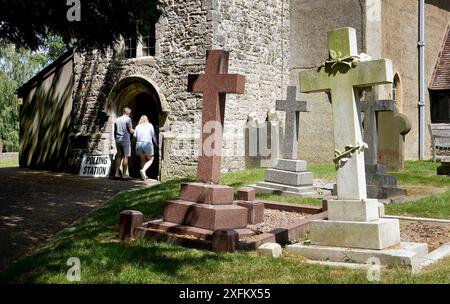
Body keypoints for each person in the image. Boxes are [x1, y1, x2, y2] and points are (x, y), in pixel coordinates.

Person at [134, 115, 157, 180]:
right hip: (147, 144)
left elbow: (135, 135)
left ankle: (143, 175)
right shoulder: (150, 125)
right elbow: (153, 135)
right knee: (151, 159)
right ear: (147, 119)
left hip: (139, 144)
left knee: (142, 159)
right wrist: (156, 143)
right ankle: (143, 170)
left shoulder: (137, 126)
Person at [114, 107, 135, 179]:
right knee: (125, 156)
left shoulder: (117, 119)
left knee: (119, 156)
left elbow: (115, 131)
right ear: (127, 112)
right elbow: (130, 130)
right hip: (125, 139)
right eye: (129, 113)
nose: (130, 114)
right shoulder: (128, 119)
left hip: (118, 139)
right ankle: (124, 174)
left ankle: (116, 173)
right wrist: (136, 130)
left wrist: (116, 139)